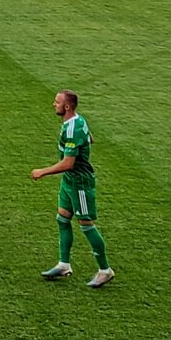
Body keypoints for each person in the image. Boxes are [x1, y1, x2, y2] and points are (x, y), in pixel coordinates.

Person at [31, 89, 113, 288]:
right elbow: (90, 138)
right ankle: (63, 264)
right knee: (62, 218)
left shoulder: (72, 129)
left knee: (86, 224)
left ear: (66, 107)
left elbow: (68, 163)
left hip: (80, 183)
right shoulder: (77, 120)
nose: (53, 104)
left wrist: (43, 171)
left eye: (57, 102)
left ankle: (105, 270)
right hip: (69, 181)